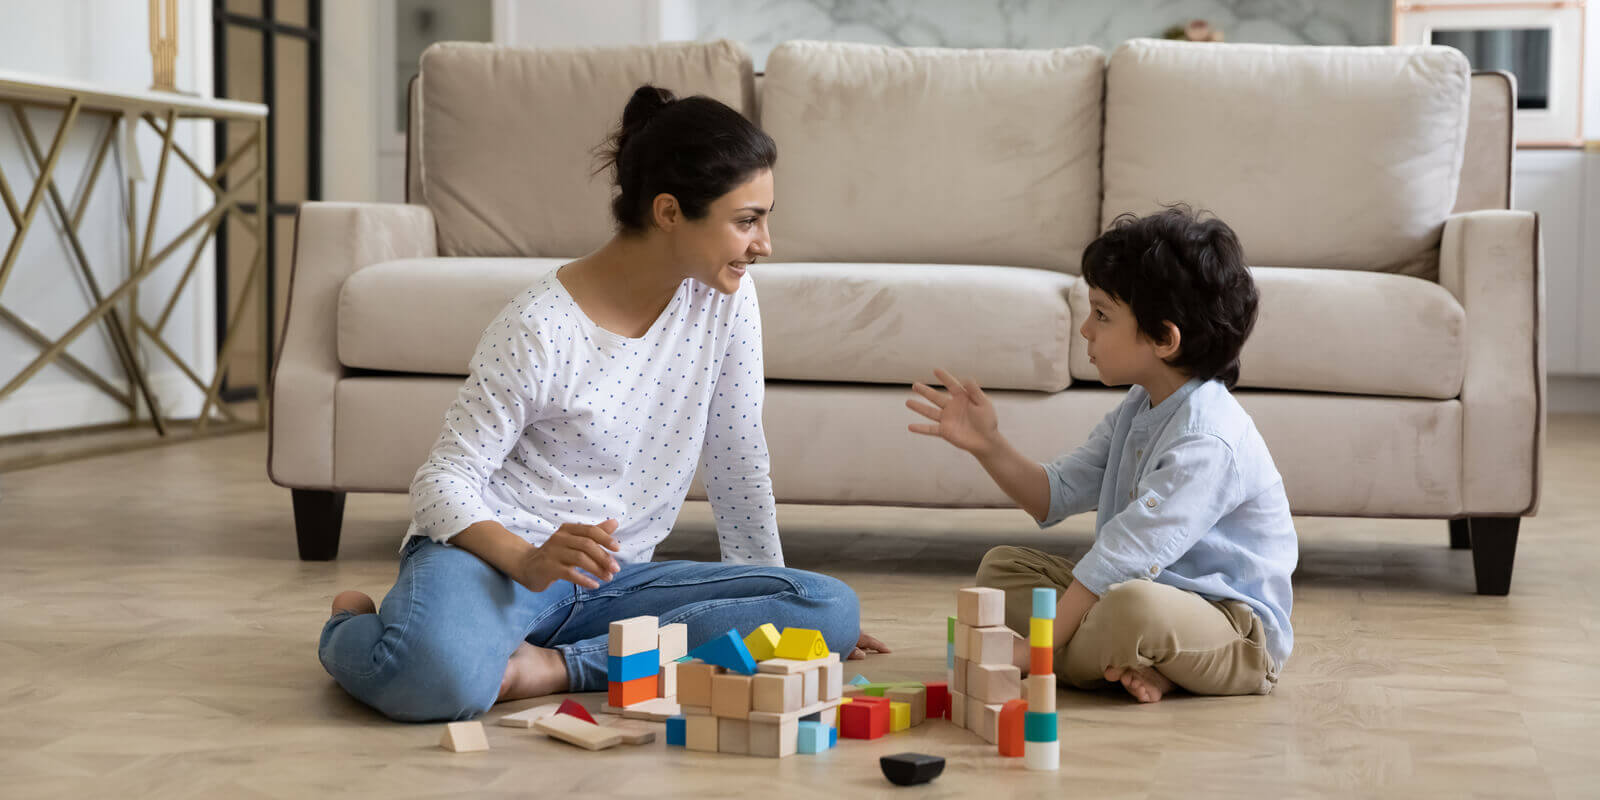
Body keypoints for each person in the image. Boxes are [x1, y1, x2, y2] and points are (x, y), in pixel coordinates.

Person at [320, 85, 885, 722]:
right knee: (436, 683)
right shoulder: (539, 324)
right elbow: (439, 483)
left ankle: (551, 667)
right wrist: (527, 560)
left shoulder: (726, 300)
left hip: (608, 582)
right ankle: (352, 623)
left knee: (828, 611)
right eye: (747, 220)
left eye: (766, 218)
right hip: (493, 564)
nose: (765, 243)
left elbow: (737, 459)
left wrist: (773, 614)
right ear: (670, 212)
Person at [906, 206, 1295, 703]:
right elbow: (1055, 495)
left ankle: (1099, 655)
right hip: (1133, 596)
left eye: (1103, 315)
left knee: (1133, 608)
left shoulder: (1208, 439)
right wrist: (988, 444)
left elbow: (1121, 556)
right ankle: (1137, 661)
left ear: (1163, 339)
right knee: (1000, 571)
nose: (1086, 329)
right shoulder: (1140, 404)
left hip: (1231, 629)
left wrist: (1031, 656)